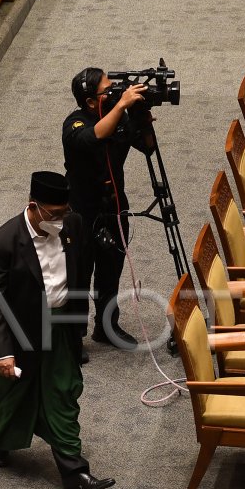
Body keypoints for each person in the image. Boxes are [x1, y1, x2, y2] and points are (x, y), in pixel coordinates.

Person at [0, 172, 116, 489]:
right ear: (33, 207)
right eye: (54, 214)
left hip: (60, 326)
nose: (60, 220)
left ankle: (74, 475)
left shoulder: (74, 225)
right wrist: (2, 352)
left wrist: (77, 325)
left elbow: (81, 274)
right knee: (9, 395)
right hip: (20, 331)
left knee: (63, 392)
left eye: (64, 212)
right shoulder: (3, 242)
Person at [61, 67, 149, 351]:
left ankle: (107, 327)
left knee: (110, 271)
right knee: (79, 276)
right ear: (90, 101)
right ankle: (74, 337)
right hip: (81, 213)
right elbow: (92, 138)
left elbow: (148, 148)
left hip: (113, 206)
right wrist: (122, 104)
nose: (115, 94)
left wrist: (140, 118)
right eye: (108, 91)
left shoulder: (120, 117)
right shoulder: (74, 123)